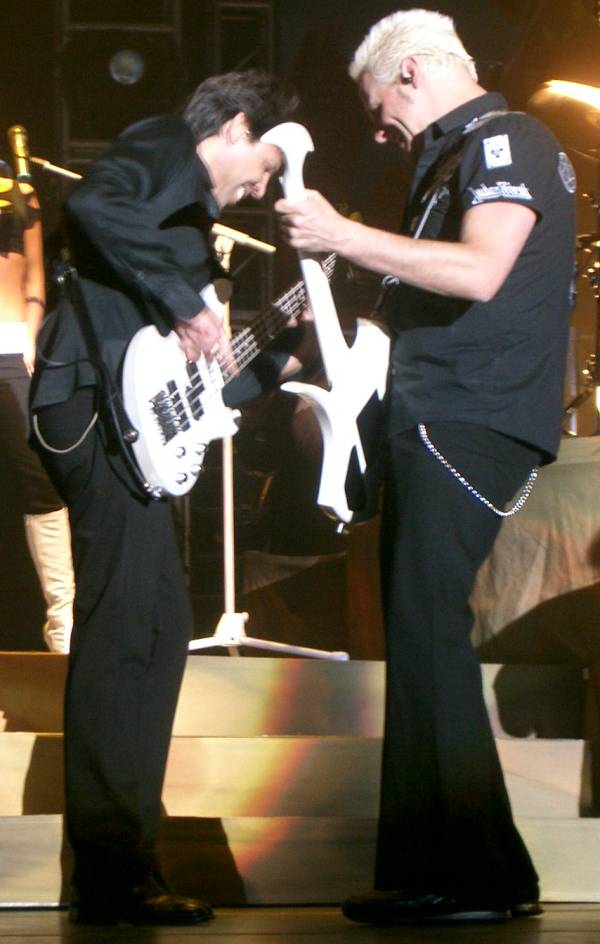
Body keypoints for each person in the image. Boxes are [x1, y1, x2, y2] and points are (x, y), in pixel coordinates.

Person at [275, 8, 576, 926]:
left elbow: (483, 271)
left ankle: (478, 874)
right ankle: (442, 868)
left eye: (376, 107)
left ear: (410, 73)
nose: (375, 128)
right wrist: (307, 338)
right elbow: (421, 297)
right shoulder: (445, 161)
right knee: (418, 629)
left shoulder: (506, 139)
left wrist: (342, 235)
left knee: (429, 631)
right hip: (433, 413)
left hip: (467, 419)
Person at [30, 70, 302, 926]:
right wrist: (188, 302)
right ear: (230, 125)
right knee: (125, 633)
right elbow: (97, 211)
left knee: (152, 629)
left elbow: (190, 382)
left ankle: (125, 863)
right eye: (261, 165)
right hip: (95, 417)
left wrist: (278, 364)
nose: (260, 187)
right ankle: (111, 876)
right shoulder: (163, 144)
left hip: (134, 432)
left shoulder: (192, 221)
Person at [0, 153, 74, 653]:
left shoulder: (18, 186)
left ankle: (63, 622)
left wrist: (29, 339)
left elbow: (34, 282)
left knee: (43, 480)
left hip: (8, 347)